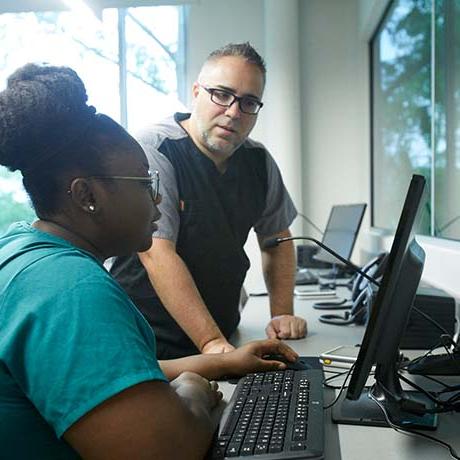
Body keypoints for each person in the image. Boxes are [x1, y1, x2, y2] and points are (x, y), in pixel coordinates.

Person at [0, 63, 299, 459]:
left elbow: (120, 374)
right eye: (145, 183)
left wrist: (225, 363)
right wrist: (192, 389)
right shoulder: (69, 290)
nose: (158, 200)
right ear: (86, 195)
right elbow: (163, 451)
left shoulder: (25, 247)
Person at [111, 42, 307, 359]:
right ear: (196, 92)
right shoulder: (154, 148)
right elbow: (156, 254)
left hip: (222, 336)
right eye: (222, 94)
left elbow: (278, 239)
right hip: (149, 347)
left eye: (248, 102)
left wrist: (281, 314)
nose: (233, 112)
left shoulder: (259, 162)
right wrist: (212, 344)